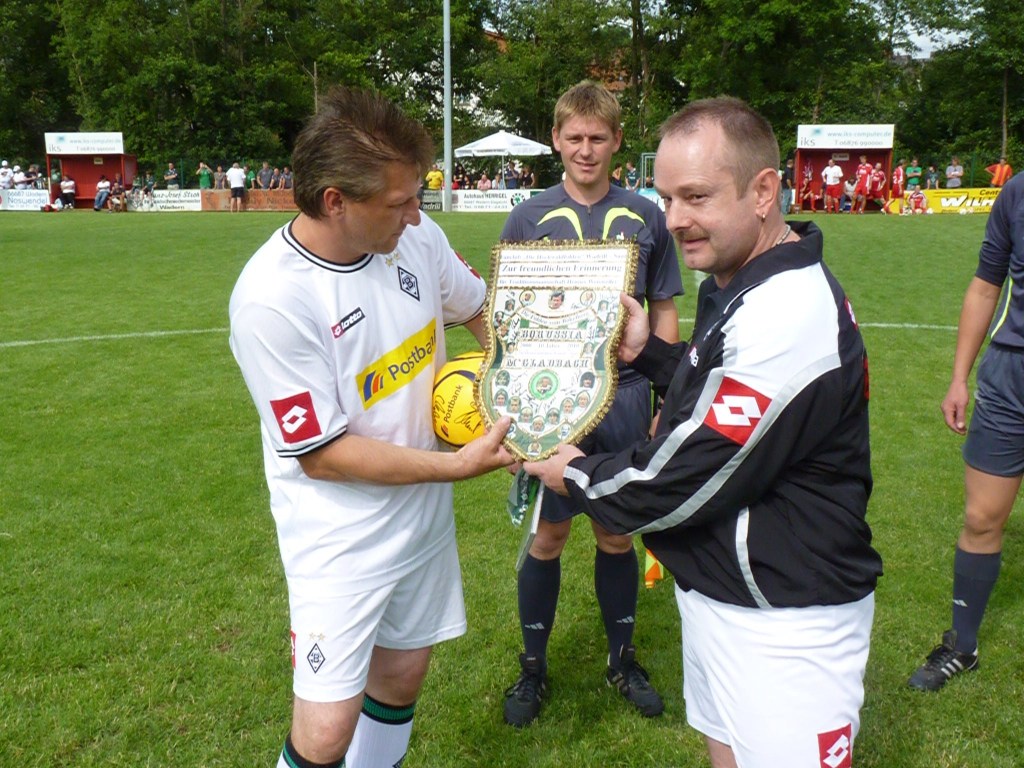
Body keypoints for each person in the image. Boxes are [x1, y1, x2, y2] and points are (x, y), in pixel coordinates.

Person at [523, 95, 882, 768]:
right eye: (666, 198)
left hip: (786, 621)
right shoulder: (747, 280)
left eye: (696, 196)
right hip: (725, 593)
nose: (674, 220)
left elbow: (687, 474)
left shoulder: (784, 311)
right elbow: (716, 381)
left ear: (763, 192)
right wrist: (652, 355)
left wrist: (574, 472)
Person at [228, 86, 514, 768]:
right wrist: (454, 466)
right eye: (400, 202)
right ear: (335, 201)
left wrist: (530, 384)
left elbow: (479, 311)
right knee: (327, 729)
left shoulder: (417, 239)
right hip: (339, 533)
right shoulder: (272, 299)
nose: (417, 216)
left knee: (402, 676)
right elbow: (323, 455)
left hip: (421, 514)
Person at [498, 80, 682, 728]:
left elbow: (664, 308)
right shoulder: (526, 218)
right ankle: (533, 667)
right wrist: (515, 413)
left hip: (626, 395)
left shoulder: (645, 216)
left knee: (616, 532)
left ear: (616, 141)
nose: (585, 149)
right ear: (556, 139)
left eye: (597, 137)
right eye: (574, 137)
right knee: (549, 535)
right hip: (553, 401)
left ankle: (622, 660)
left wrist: (667, 397)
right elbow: (509, 321)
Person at [908, 170, 1024, 692]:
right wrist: (959, 377)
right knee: (981, 516)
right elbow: (985, 286)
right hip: (1009, 377)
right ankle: (963, 645)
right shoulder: (1016, 192)